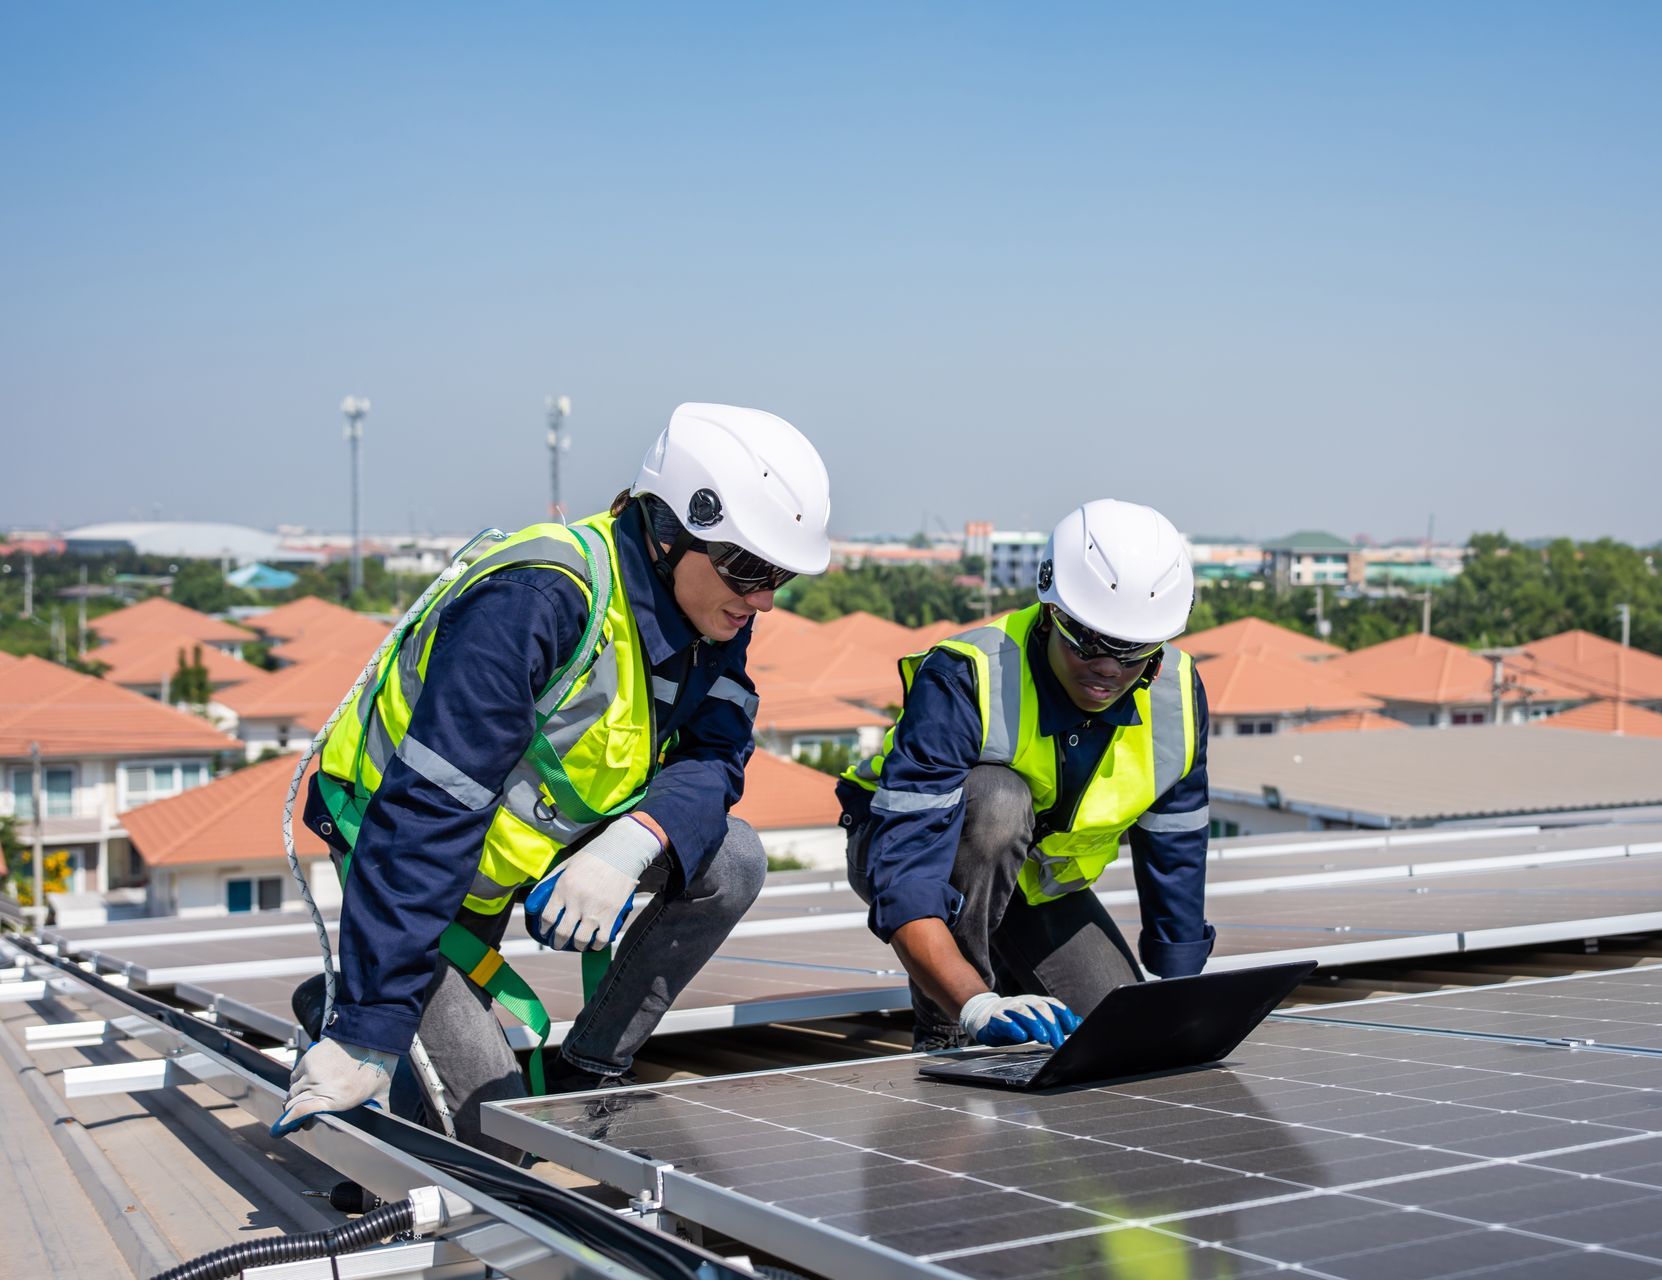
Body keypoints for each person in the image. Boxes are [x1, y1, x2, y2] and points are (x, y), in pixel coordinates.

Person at [273, 403, 832, 1154]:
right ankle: (346, 1009)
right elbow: (433, 806)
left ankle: (588, 1067)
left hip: (516, 859)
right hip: (411, 859)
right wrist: (369, 1030)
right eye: (747, 568)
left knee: (731, 857)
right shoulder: (539, 599)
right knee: (495, 1139)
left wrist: (634, 842)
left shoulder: (711, 617)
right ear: (667, 532)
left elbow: (716, 754)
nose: (763, 597)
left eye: (780, 576)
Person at [839, 499, 1213, 1051]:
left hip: (1037, 883)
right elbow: (907, 872)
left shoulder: (1176, 696)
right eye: (1089, 640)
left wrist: (1181, 995)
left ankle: (1003, 970)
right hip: (908, 849)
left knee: (1124, 1038)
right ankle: (943, 1034)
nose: (1109, 666)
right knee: (996, 802)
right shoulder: (967, 675)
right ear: (1050, 611)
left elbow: (1175, 848)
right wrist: (972, 1005)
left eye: (1134, 650)